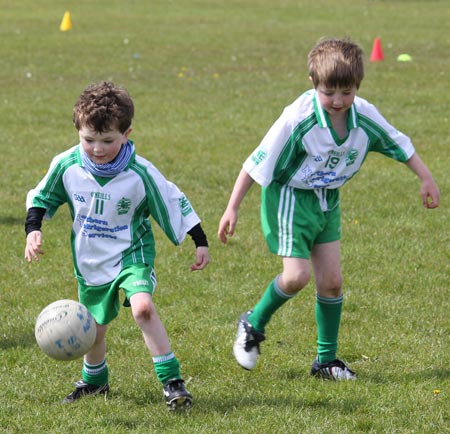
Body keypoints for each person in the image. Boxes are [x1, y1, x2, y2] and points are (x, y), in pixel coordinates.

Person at [218, 38, 439, 380]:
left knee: (332, 282)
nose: (338, 101)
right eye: (329, 92)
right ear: (314, 85)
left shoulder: (363, 116)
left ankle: (326, 362)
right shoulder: (298, 119)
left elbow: (398, 142)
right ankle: (253, 323)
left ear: (357, 87)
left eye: (347, 92)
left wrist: (425, 178)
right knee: (296, 277)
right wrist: (232, 208)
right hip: (290, 197)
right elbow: (255, 162)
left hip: (327, 198)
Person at [25, 81, 210, 409]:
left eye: (107, 140)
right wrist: (33, 229)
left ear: (126, 134)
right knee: (93, 327)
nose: (97, 148)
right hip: (91, 259)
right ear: (78, 132)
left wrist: (198, 240)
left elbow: (171, 199)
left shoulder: (139, 173)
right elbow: (42, 196)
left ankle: (173, 382)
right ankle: (95, 381)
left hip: (131, 254)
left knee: (142, 309)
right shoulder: (68, 165)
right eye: (88, 140)